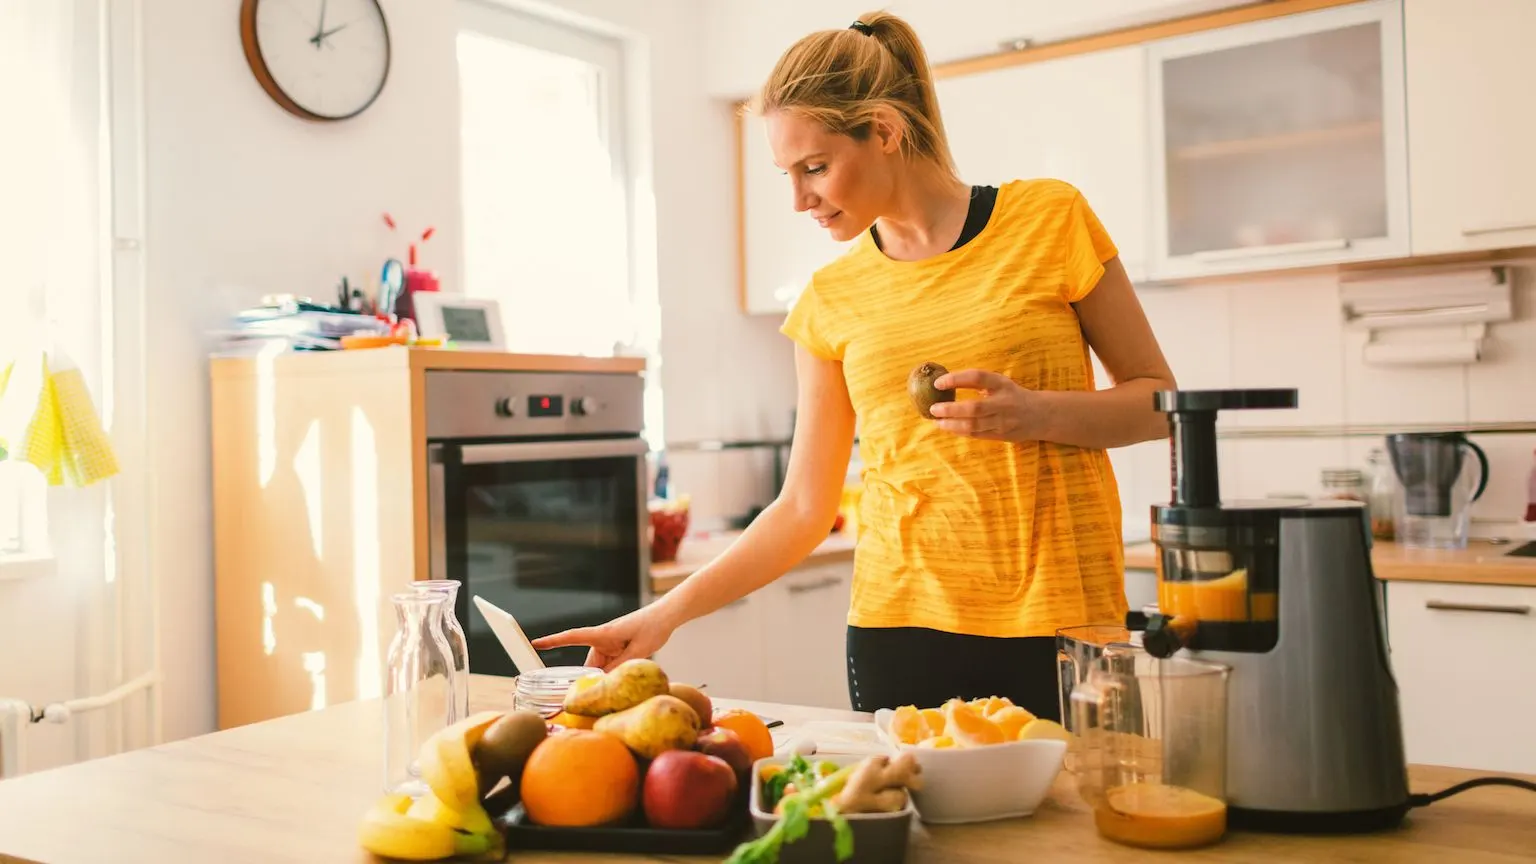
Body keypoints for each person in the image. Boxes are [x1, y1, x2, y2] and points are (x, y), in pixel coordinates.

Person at [533, 10, 1176, 722]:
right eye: (787, 173)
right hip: (901, 627)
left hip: (1063, 619)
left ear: (885, 131)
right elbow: (804, 506)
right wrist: (664, 616)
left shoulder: (1050, 220)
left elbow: (1158, 404)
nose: (799, 199)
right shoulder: (829, 298)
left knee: (1075, 831)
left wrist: (1035, 412)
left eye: (815, 167)